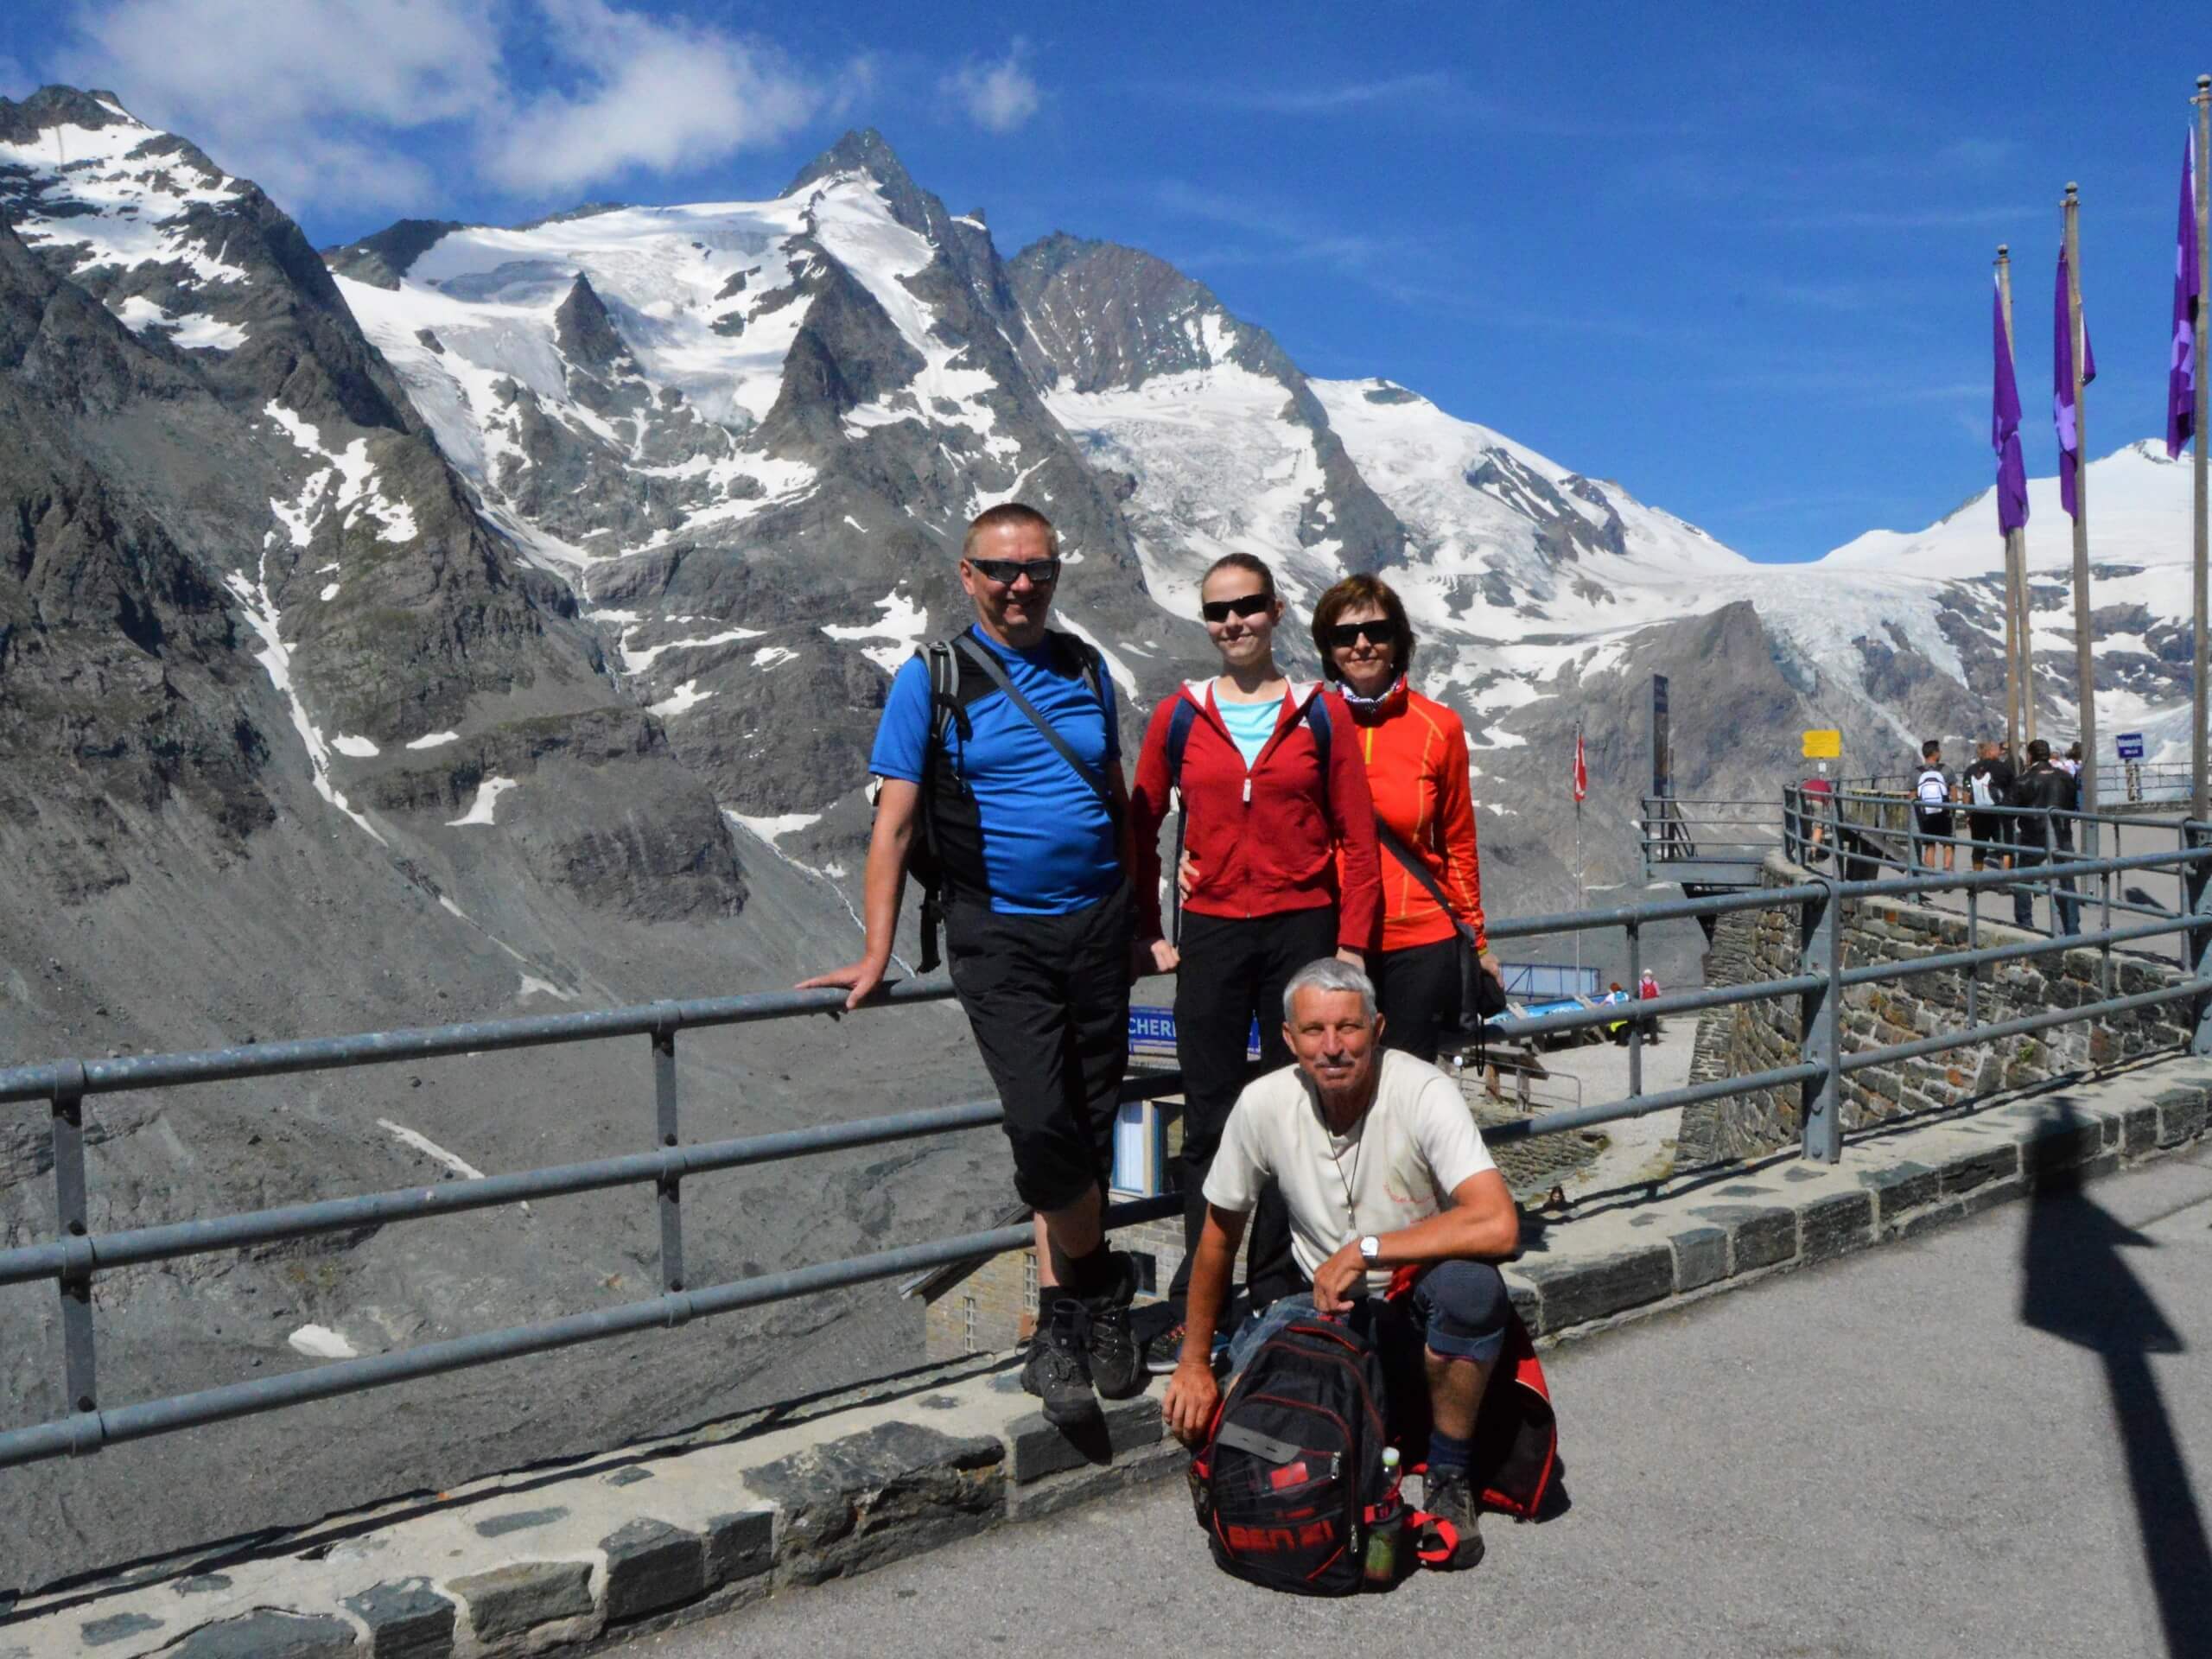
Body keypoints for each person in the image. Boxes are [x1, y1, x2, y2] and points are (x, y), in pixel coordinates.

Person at [799, 502, 1147, 1428]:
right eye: (1001, 569)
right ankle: (1103, 1282)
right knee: (1044, 1130)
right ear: (966, 575)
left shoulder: (1084, 668)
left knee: (1087, 1122)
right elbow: (896, 821)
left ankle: (1064, 1324)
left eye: (1037, 568)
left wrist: (1142, 921)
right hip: (998, 936)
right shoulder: (934, 677)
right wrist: (876, 951)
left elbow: (1115, 802)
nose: (1020, 584)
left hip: (1098, 929)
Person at [1160, 958, 1521, 1572]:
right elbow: (1218, 1239)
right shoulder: (1263, 1104)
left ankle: (1450, 1475)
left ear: (1377, 1028)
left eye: (1348, 1029)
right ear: (1288, 1039)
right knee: (1224, 1410)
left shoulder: (1422, 1090)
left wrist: (1368, 1249)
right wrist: (1194, 1363)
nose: (1332, 1048)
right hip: (1325, 1306)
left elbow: (1498, 1223)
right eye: (1315, 1032)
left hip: (1414, 1298)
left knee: (1472, 1290)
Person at [1129, 553, 1382, 1345]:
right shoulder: (1177, 715)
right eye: (1216, 611)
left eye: (1245, 607)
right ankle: (1199, 1285)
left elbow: (1357, 839)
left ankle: (1276, 1281)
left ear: (1275, 610)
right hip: (1210, 931)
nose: (1232, 622)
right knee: (1208, 1116)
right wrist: (1150, 931)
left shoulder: (1319, 712)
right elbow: (1141, 828)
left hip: (1301, 930)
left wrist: (1351, 949)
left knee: (1296, 1112)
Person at [1306, 573, 1496, 1063]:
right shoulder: (1305, 724)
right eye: (1345, 636)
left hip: (1420, 939)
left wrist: (1477, 942)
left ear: (1398, 642)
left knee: (1405, 1088)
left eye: (1377, 632)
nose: (1362, 645)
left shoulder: (1440, 727)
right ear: (1329, 650)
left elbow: (1457, 844)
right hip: (1331, 935)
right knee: (1334, 1082)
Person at [2010, 738, 2082, 937]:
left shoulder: (2024, 780)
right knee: (2067, 881)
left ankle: (2025, 925)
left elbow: (2010, 811)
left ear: (2030, 756)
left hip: (2033, 835)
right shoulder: (2065, 777)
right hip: (2061, 833)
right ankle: (2072, 928)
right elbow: (2073, 804)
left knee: (2024, 879)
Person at [1964, 738, 2015, 872]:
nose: (1999, 752)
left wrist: (1967, 813)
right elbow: (2013, 790)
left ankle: (1978, 881)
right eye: (1997, 750)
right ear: (1991, 752)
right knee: (2005, 848)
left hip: (1978, 814)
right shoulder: (2004, 768)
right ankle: (2006, 881)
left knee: (1978, 849)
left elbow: (1966, 792)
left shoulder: (1970, 770)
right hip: (2000, 815)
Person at [1912, 739, 1956, 874]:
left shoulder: (1917, 772)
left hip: (1926, 814)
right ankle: (1947, 873)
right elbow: (1953, 792)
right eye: (1939, 751)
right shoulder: (1946, 770)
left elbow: (1912, 796)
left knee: (1930, 845)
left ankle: (1930, 875)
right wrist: (1953, 810)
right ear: (1935, 754)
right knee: (1948, 844)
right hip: (1944, 813)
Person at [1799, 762, 1834, 862]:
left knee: (1807, 821)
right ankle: (1813, 850)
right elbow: (1828, 800)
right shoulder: (1826, 785)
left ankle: (1810, 836)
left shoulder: (1807, 783)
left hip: (1805, 800)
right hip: (1818, 801)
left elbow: (1800, 792)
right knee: (1819, 826)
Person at [1637, 968, 1662, 1045]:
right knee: (1653, 1023)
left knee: (1640, 1023)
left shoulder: (1640, 982)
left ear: (1644, 975)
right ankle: (1653, 1040)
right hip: (1652, 1005)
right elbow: (1658, 994)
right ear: (1651, 975)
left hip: (1643, 1004)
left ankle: (1640, 1040)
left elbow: (1640, 994)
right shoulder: (1655, 982)